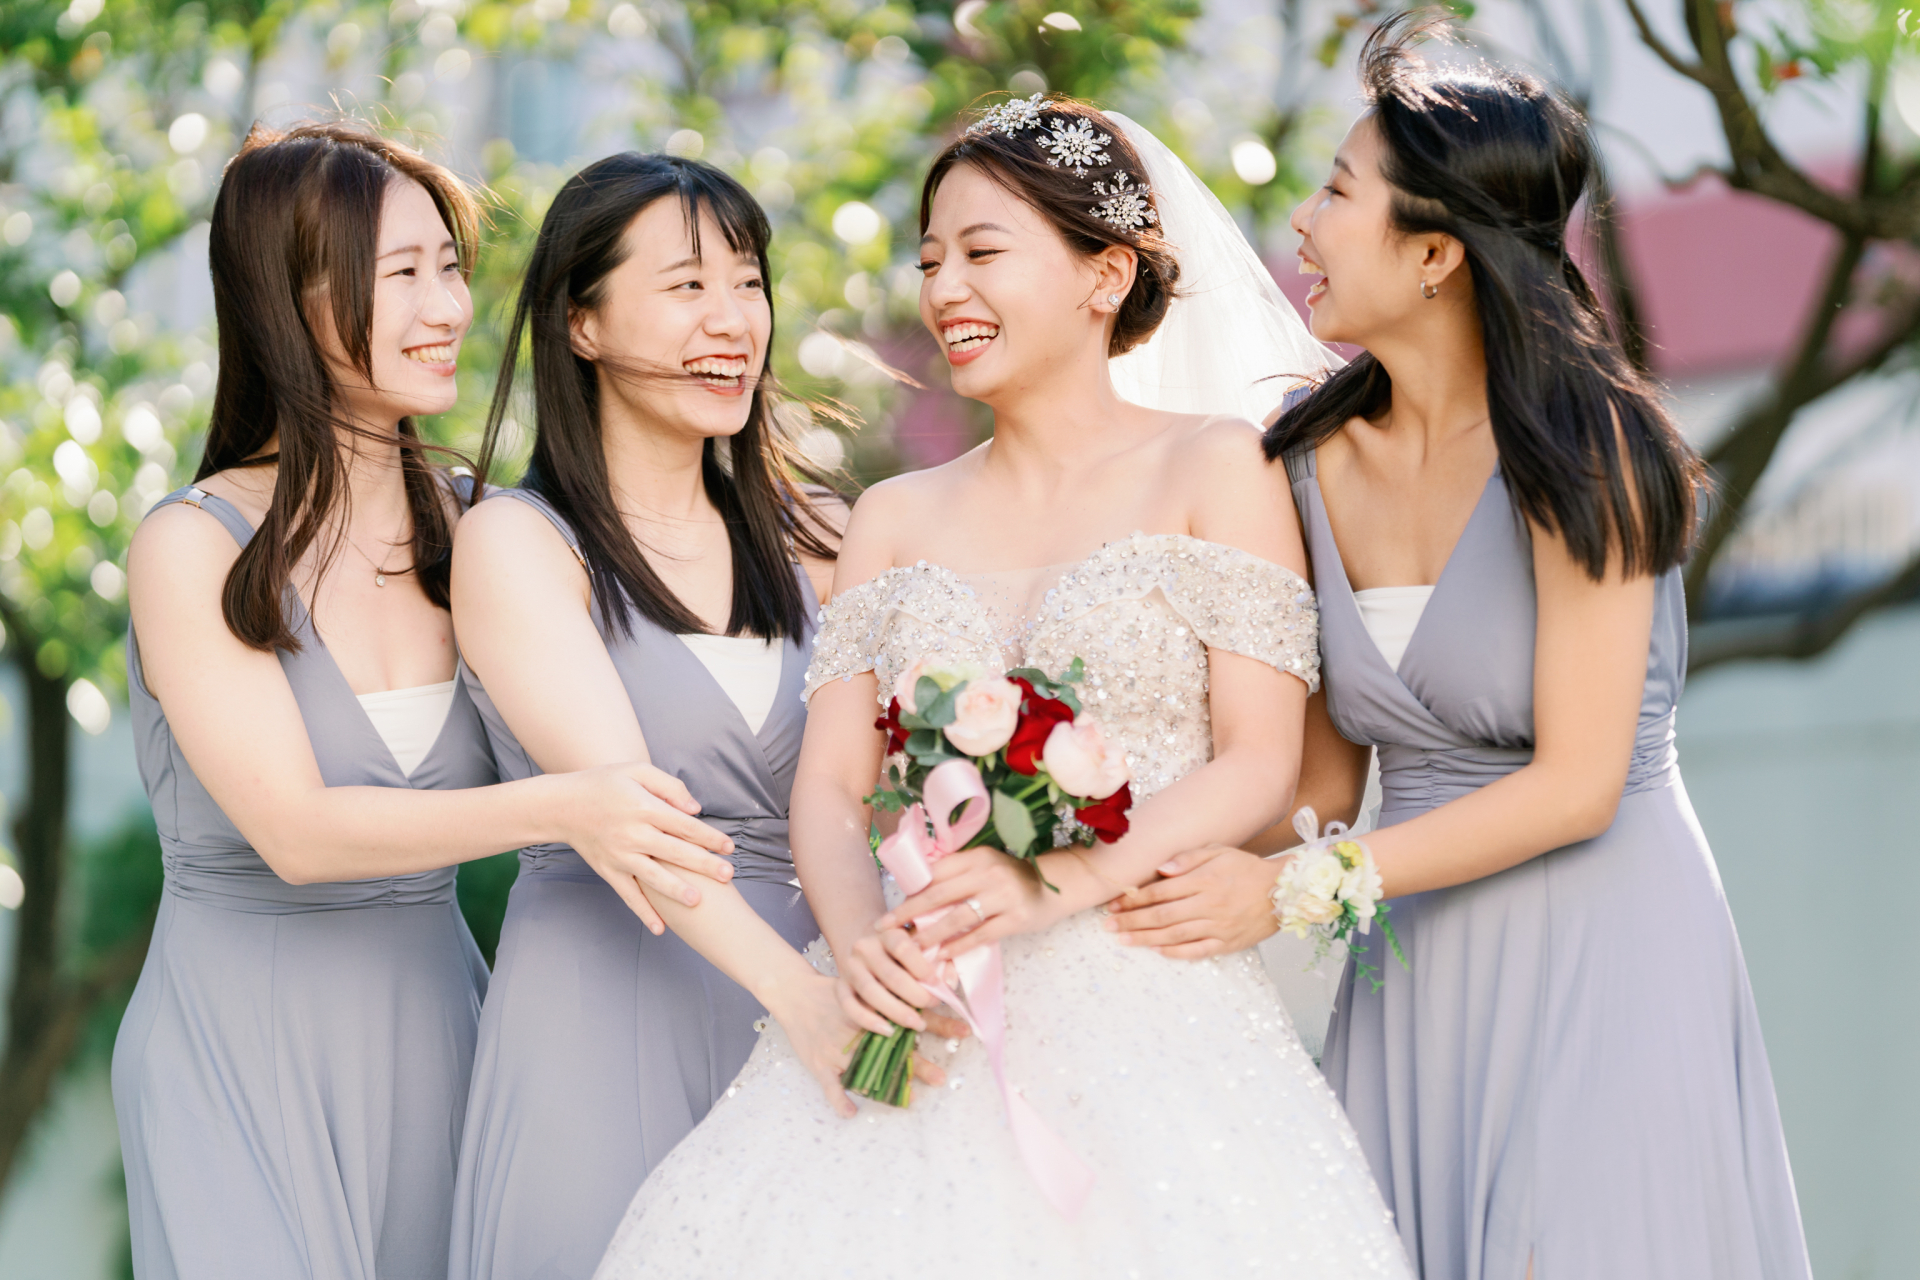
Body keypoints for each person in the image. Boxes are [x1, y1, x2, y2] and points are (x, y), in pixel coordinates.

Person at [591, 97, 1411, 1280]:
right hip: (918, 989)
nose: (945, 290)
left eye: (982, 252)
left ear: (1105, 274)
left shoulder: (1214, 463)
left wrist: (1054, 880)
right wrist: (862, 945)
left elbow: (1259, 761)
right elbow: (832, 787)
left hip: (1147, 993)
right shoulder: (890, 515)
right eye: (931, 260)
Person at [1111, 18, 1814, 1278]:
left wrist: (1291, 889)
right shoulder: (1300, 460)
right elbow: (1322, 789)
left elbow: (1577, 784)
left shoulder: (1591, 448)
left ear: (1435, 251)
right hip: (1416, 964)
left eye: (1337, 193)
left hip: (1610, 947)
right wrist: (1108, 840)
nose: (1303, 226)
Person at [114, 121, 731, 1279]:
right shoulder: (192, 544)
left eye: (450, 266)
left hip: (449, 1033)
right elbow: (297, 833)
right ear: (288, 299)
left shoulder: (484, 527)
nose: (447, 305)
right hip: (234, 1053)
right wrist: (572, 805)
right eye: (402, 272)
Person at [445, 153, 883, 1280]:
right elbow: (632, 815)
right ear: (582, 323)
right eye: (687, 285)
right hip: (609, 1012)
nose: (732, 319)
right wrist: (804, 1001)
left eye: (748, 283)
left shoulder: (825, 536)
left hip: (821, 1005)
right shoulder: (519, 542)